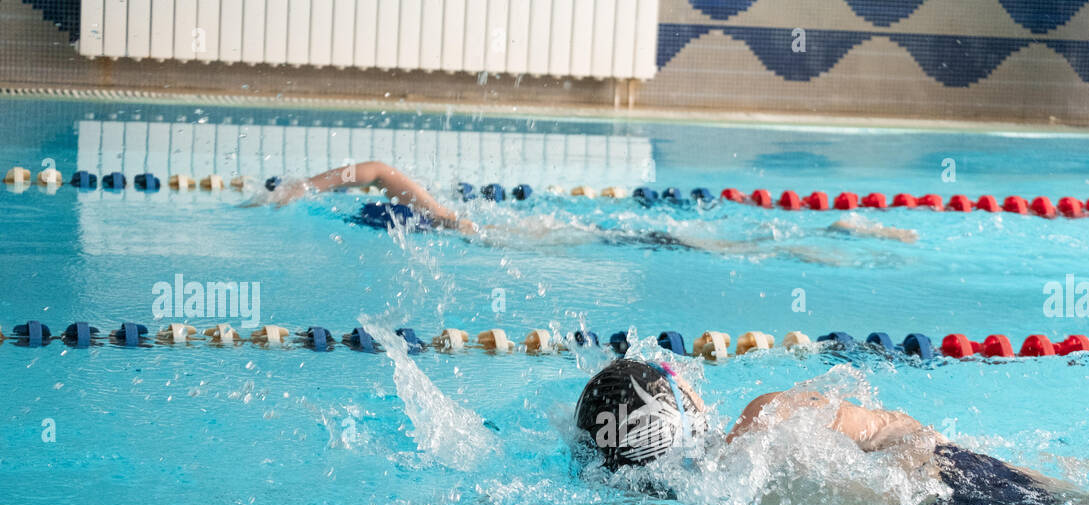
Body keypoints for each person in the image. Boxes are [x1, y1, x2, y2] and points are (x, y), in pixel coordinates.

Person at [573, 358, 1059, 505]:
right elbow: (906, 433)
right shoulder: (765, 416)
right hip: (961, 483)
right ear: (681, 409)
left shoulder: (690, 497)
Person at [260, 162, 919, 251]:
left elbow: (376, 169)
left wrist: (299, 190)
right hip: (564, 235)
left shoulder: (439, 216)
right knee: (661, 237)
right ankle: (827, 231)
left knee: (669, 240)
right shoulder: (440, 217)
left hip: (566, 237)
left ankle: (831, 231)